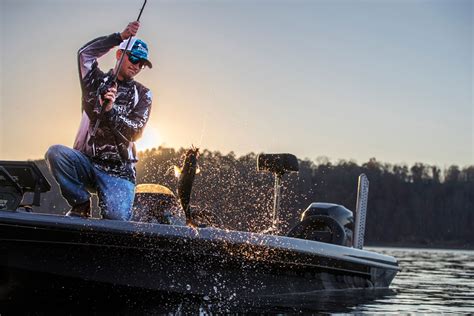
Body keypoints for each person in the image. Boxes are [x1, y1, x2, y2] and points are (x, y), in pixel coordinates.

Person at [45, 21, 153, 220]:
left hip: (119, 173)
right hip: (86, 162)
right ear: (120, 54)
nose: (137, 66)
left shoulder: (144, 94)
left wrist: (111, 111)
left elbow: (136, 132)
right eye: (134, 58)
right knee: (56, 153)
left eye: (142, 63)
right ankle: (80, 203)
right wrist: (119, 37)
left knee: (117, 222)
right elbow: (84, 54)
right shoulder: (94, 81)